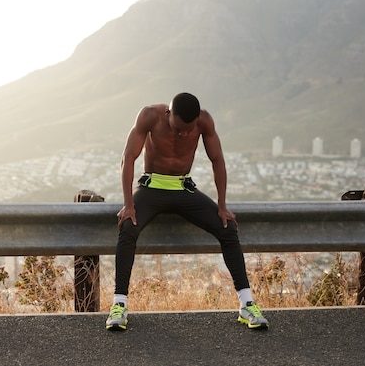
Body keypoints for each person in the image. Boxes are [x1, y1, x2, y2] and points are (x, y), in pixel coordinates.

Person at [105, 92, 269, 331]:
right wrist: (128, 204)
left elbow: (218, 160)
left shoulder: (204, 121)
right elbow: (128, 158)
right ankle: (119, 306)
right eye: (178, 129)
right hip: (152, 188)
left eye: (187, 131)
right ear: (168, 114)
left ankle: (247, 305)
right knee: (128, 227)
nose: (183, 134)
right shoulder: (150, 115)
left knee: (228, 228)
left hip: (183, 188)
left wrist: (222, 205)